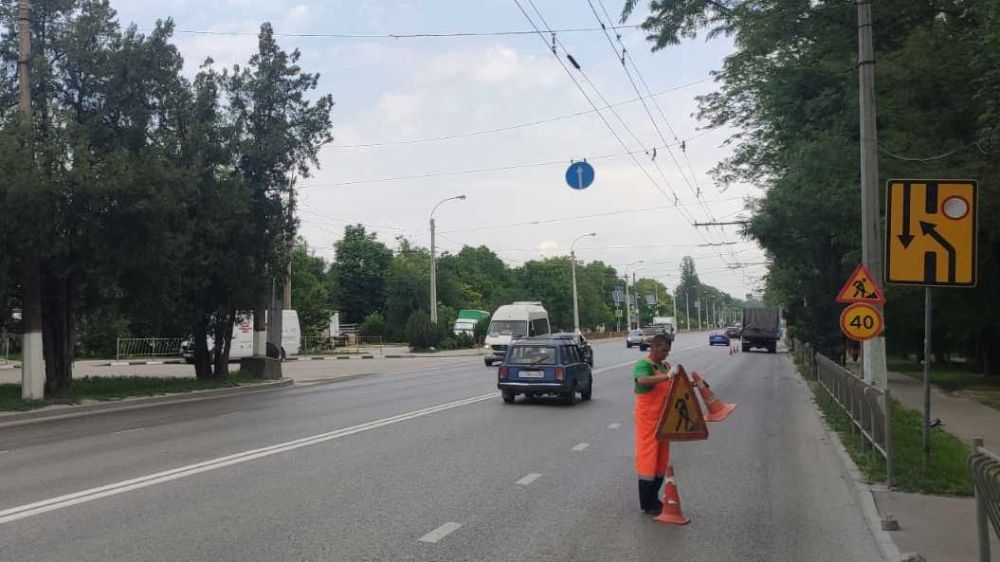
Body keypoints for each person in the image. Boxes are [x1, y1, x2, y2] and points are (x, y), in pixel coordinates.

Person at [632, 334, 681, 514]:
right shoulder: (644, 365)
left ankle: (654, 499)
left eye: (668, 350)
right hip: (648, 421)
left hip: (663, 421)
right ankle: (647, 503)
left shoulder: (664, 365)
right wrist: (667, 377)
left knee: (661, 461)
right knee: (648, 461)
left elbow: (674, 387)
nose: (666, 354)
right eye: (663, 350)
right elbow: (642, 380)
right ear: (653, 347)